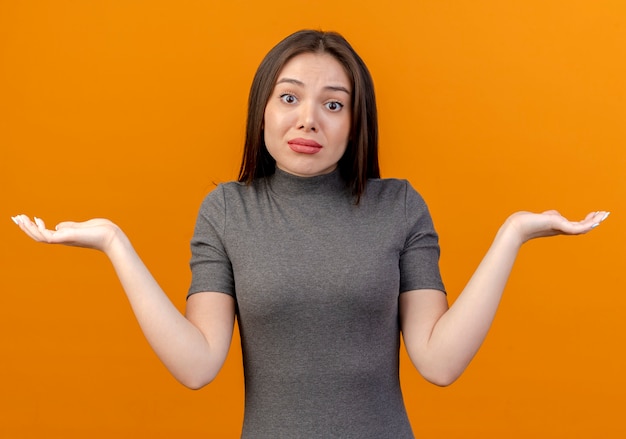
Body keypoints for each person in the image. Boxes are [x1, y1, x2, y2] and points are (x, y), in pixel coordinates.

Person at [11, 30, 609, 438]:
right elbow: (197, 365)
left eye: (333, 104)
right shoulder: (226, 212)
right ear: (262, 110)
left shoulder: (399, 206)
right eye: (290, 97)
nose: (307, 119)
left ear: (356, 122)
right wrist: (116, 243)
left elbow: (439, 361)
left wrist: (512, 235)